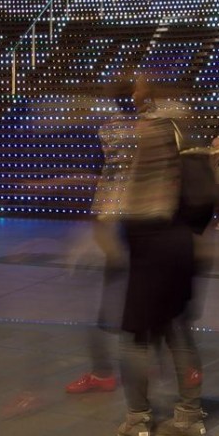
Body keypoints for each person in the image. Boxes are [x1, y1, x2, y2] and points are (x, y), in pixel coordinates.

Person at [116, 76, 205, 436]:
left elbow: (120, 192)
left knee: (136, 334)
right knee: (177, 329)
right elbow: (202, 197)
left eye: (138, 88)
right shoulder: (186, 129)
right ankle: (190, 417)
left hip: (149, 238)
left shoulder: (143, 133)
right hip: (182, 240)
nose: (135, 93)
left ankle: (137, 420)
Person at [66, 83, 135, 394]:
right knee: (137, 296)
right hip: (146, 215)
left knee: (106, 301)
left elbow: (102, 173)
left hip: (115, 216)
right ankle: (157, 364)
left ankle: (103, 371)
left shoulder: (108, 130)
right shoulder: (156, 131)